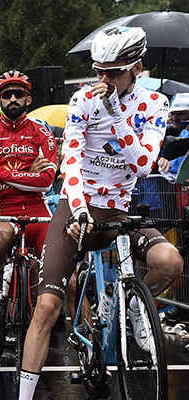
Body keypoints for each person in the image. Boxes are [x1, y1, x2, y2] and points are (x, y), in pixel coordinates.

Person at [19, 26, 184, 399]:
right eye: (99, 71)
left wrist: (115, 112)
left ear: (136, 68)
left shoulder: (155, 104)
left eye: (113, 72)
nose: (103, 80)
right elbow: (71, 160)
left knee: (172, 262)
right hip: (78, 208)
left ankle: (133, 304)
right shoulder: (82, 100)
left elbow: (142, 164)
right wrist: (77, 209)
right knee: (46, 307)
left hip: (117, 213)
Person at [0, 70, 57, 323]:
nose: (12, 99)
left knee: (61, 270)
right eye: (6, 95)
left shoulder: (43, 134)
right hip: (3, 212)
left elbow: (46, 182)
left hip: (38, 211)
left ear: (28, 99)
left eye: (18, 94)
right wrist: (26, 175)